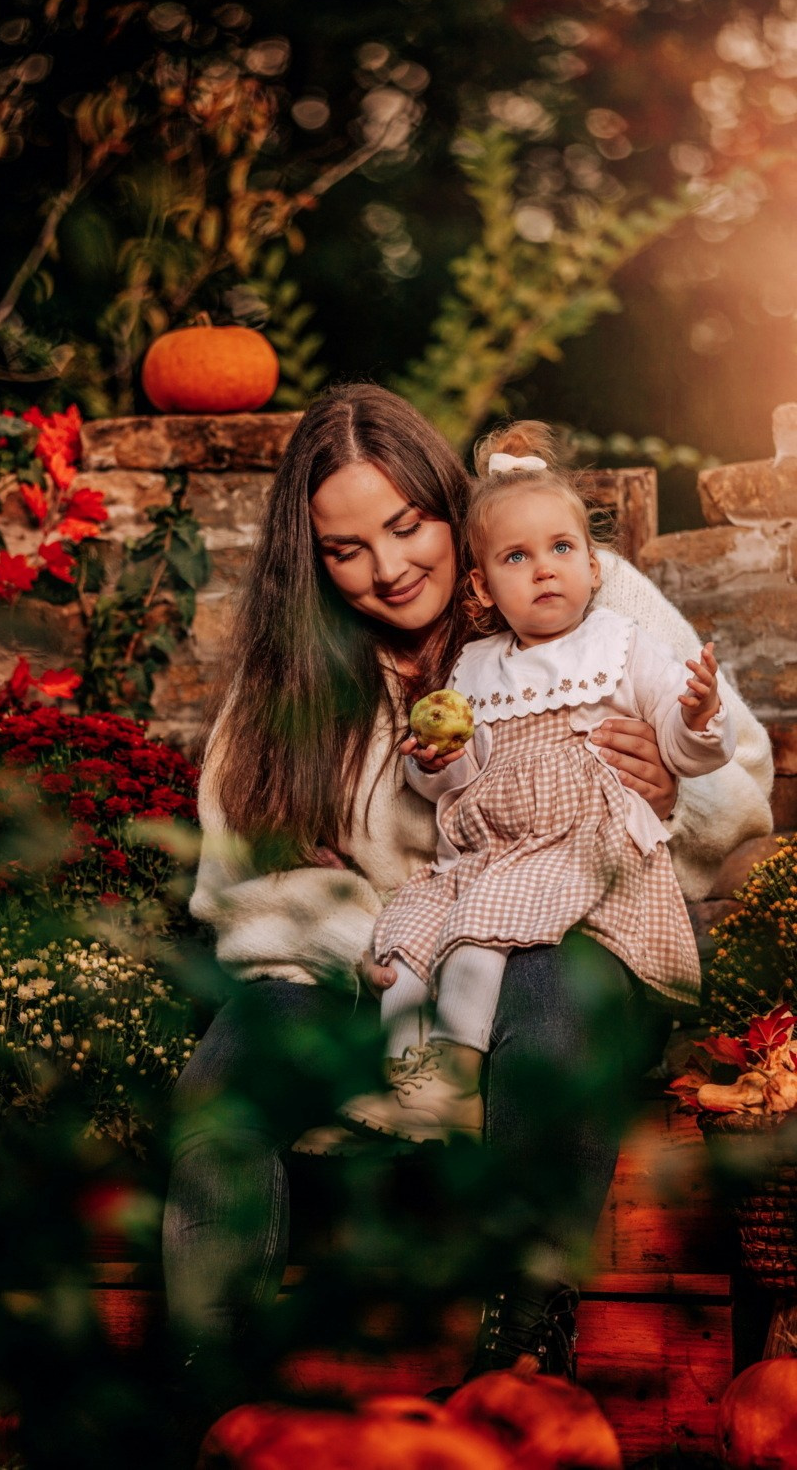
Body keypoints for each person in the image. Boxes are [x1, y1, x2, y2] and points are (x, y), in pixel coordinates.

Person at [162, 386, 774, 1389]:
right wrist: (373, 933)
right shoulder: (291, 677)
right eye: (346, 548)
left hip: (582, 925)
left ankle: (523, 1350)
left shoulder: (572, 580)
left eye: (408, 526)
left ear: (453, 508)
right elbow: (249, 893)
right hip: (379, 972)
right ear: (309, 558)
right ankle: (208, 1390)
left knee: (545, 988)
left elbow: (735, 777)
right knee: (223, 1086)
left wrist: (674, 782)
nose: (390, 567)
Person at [342, 424, 736, 1146]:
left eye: (561, 549)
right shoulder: (475, 667)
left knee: (477, 934)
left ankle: (456, 1083)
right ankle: (407, 1082)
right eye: (517, 558)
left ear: (593, 564)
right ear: (483, 587)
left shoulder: (621, 643)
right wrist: (436, 762)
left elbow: (684, 754)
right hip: (487, 853)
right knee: (403, 939)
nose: (544, 570)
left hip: (577, 848)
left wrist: (698, 713)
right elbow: (463, 780)